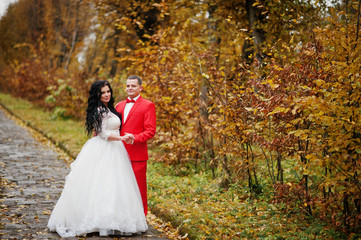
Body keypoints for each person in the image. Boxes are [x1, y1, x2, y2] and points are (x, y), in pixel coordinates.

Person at [47, 80, 148, 238]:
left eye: (108, 91)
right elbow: (103, 134)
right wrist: (122, 138)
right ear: (97, 95)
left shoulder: (110, 108)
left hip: (116, 151)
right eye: (103, 93)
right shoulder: (99, 110)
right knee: (99, 183)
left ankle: (111, 217)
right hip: (103, 148)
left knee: (114, 185)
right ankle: (94, 219)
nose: (107, 94)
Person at [115, 75, 156, 216]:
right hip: (118, 153)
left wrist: (135, 139)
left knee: (138, 189)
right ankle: (122, 216)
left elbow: (151, 131)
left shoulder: (148, 105)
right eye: (128, 86)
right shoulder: (118, 105)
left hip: (137, 154)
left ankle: (141, 218)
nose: (130, 88)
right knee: (120, 188)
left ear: (141, 87)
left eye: (133, 85)